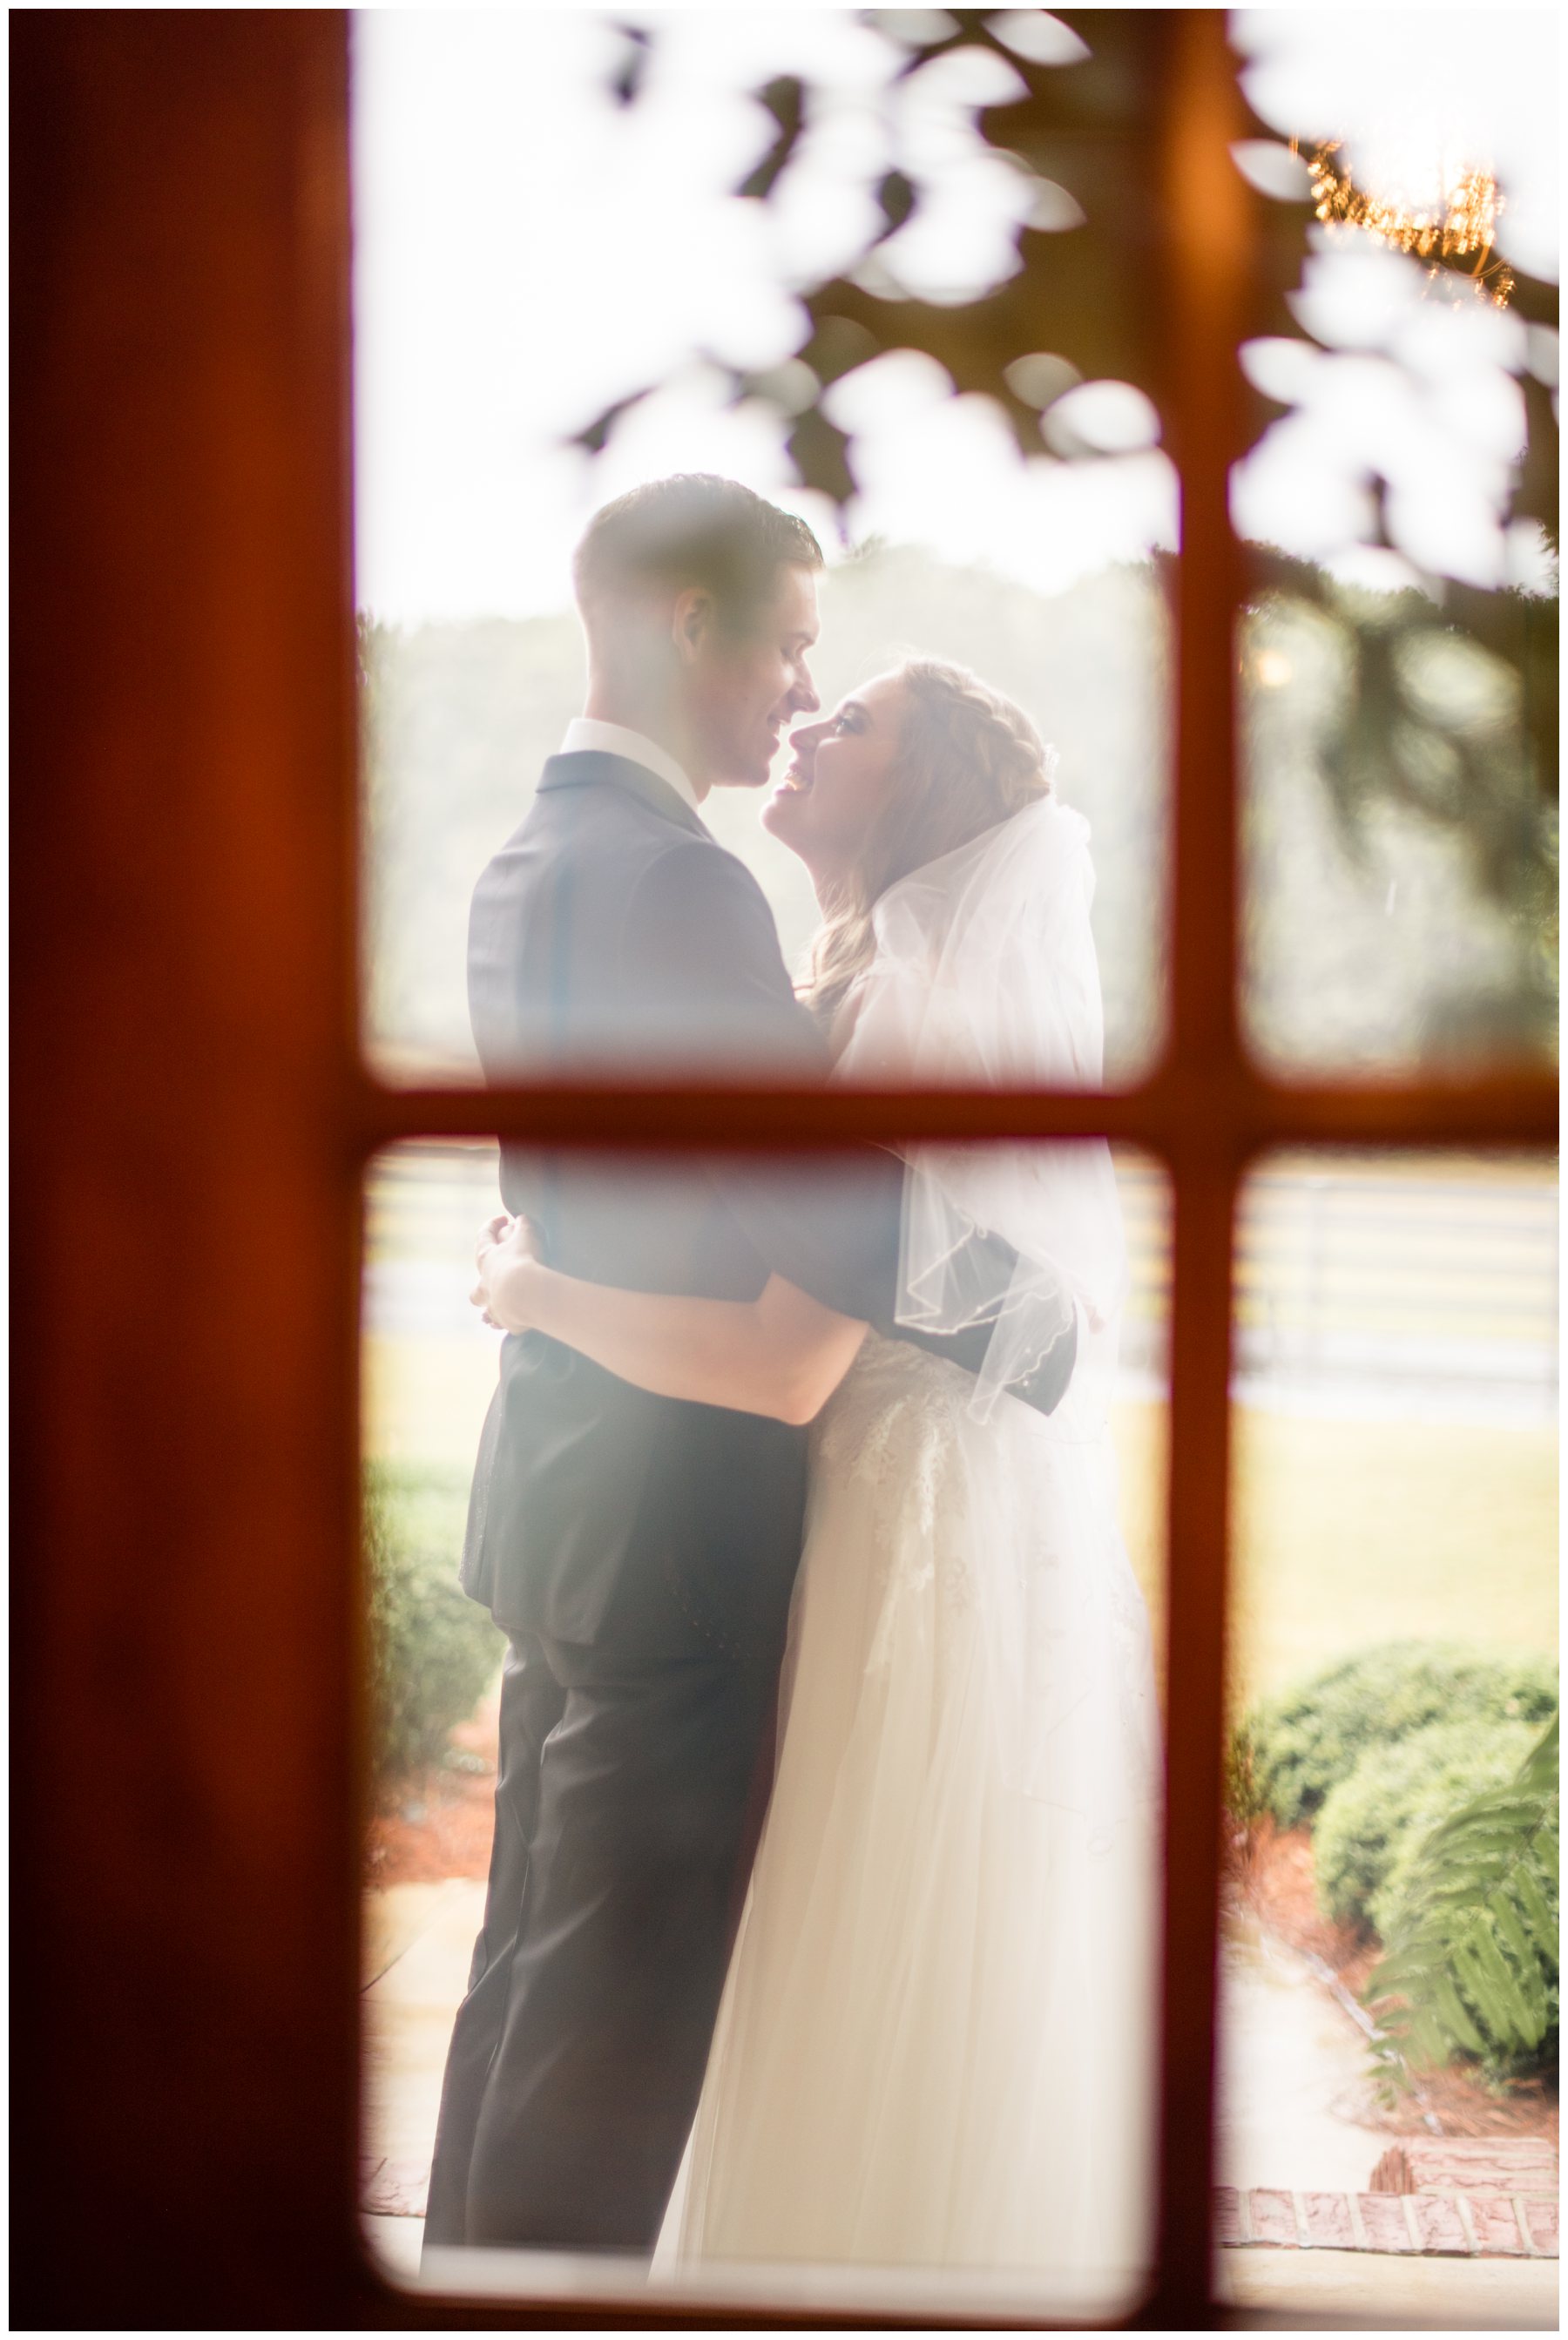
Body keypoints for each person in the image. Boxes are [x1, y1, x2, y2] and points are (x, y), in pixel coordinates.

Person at [422, 478, 1075, 2262]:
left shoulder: (532, 858)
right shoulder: (683, 886)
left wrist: (539, 1288)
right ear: (688, 626)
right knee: (605, 2051)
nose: (802, 685)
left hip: (561, 1523)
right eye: (791, 643)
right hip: (677, 1547)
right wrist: (1034, 1311)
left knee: (520, 1996)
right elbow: (834, 1242)